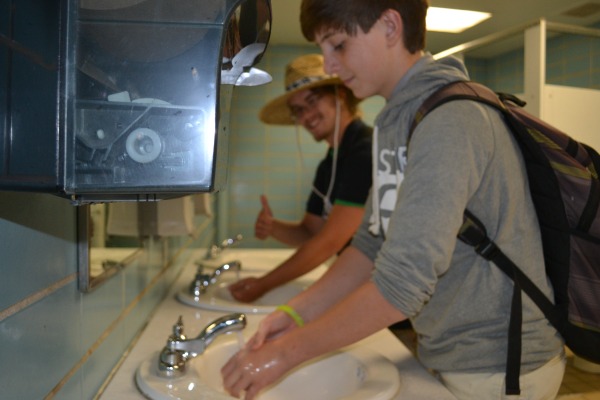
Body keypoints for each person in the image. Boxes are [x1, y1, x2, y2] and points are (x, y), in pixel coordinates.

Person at [221, 1, 566, 399]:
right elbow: (370, 245)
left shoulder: (451, 118)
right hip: (445, 351)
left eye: (338, 45)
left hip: (499, 366)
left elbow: (404, 281)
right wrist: (296, 313)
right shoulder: (395, 121)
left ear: (389, 26)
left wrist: (284, 355)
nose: (330, 66)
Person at [228, 54, 372, 303]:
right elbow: (311, 232)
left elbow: (330, 242)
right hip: (363, 289)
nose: (306, 116)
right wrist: (274, 226)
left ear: (339, 96)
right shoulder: (329, 164)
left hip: (393, 301)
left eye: (312, 102)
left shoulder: (365, 151)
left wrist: (264, 284)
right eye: (298, 110)